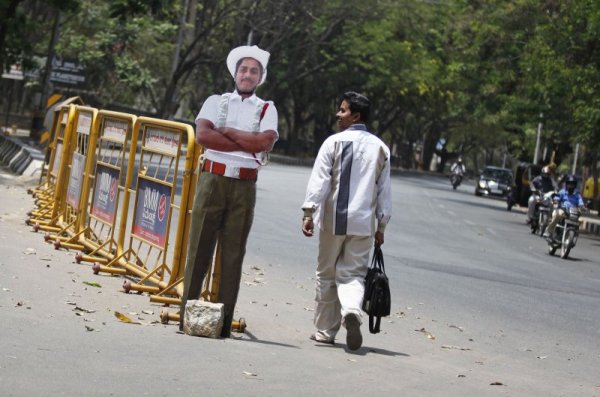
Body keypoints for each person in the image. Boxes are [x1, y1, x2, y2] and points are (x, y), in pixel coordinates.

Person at [180, 45, 279, 337]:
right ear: (235, 73)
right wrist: (246, 141)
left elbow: (265, 143)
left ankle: (222, 323)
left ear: (260, 77)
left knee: (233, 254)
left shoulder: (266, 108)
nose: (247, 75)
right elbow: (203, 136)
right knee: (199, 247)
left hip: (244, 185)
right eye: (243, 69)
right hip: (213, 181)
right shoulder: (215, 101)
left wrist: (230, 134)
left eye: (254, 71)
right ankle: (186, 315)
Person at [301, 91, 392, 351]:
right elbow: (385, 192)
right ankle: (352, 309)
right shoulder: (381, 148)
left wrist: (309, 212)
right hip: (364, 224)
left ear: (356, 116)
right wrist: (382, 226)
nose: (338, 115)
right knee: (353, 274)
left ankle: (325, 332)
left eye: (342, 110)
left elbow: (320, 181)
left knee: (326, 273)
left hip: (333, 220)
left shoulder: (333, 143)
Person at [545, 175, 585, 242]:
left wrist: (583, 207)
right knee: (557, 215)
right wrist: (555, 201)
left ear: (575, 185)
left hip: (572, 212)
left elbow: (581, 203)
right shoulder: (562, 192)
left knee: (580, 220)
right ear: (566, 184)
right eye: (569, 184)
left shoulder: (577, 195)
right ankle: (549, 232)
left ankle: (574, 235)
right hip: (563, 210)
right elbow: (557, 198)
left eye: (572, 184)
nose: (570, 186)